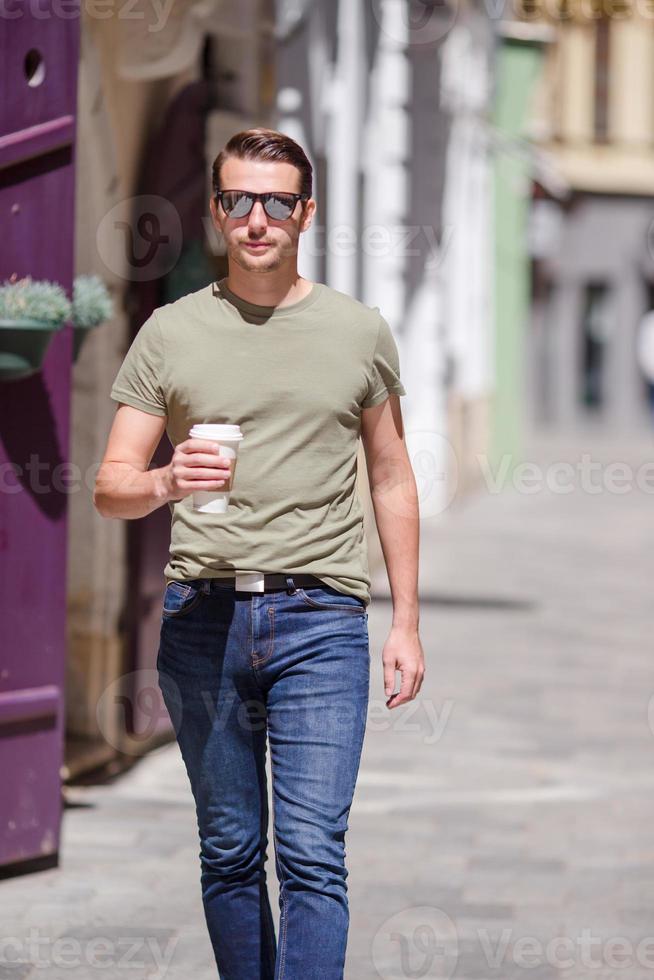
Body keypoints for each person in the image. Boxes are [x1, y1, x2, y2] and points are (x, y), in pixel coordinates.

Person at [94, 127, 424, 979]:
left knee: (313, 854)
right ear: (215, 213)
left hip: (321, 621)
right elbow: (110, 485)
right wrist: (168, 482)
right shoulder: (170, 333)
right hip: (200, 618)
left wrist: (407, 623)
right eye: (238, 199)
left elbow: (391, 478)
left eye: (277, 201)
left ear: (306, 214)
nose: (257, 219)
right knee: (232, 852)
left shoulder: (358, 331)